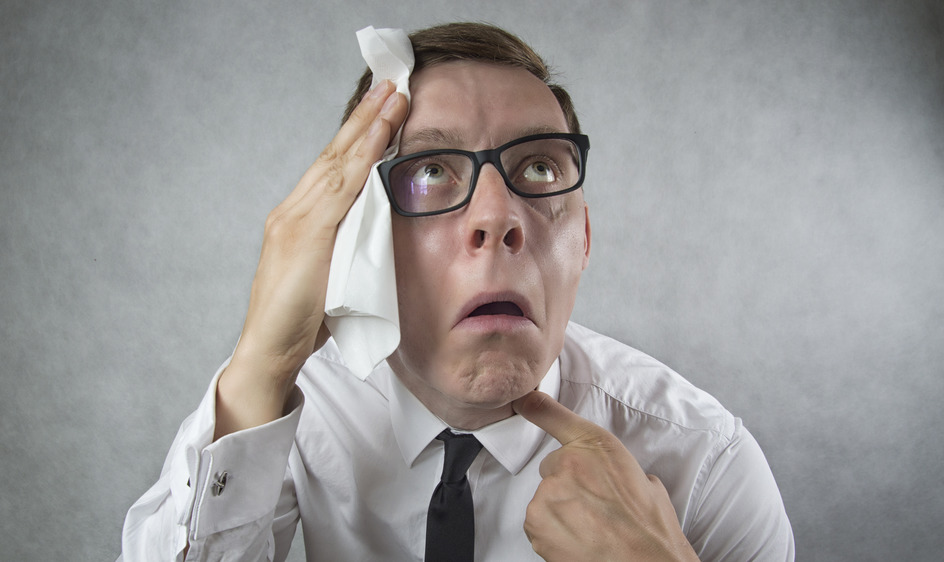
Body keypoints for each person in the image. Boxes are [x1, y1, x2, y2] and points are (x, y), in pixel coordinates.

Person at [120, 22, 794, 561]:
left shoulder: (705, 462)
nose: (496, 217)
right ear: (359, 238)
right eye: (432, 171)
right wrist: (262, 364)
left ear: (583, 239)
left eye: (538, 166)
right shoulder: (294, 413)